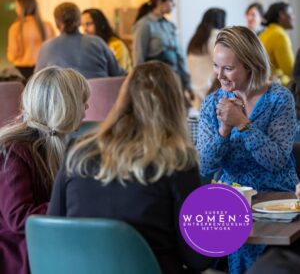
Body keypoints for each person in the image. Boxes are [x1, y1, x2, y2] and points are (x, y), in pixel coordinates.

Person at [48, 61, 212, 274]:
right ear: (175, 105)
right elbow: (197, 259)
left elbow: (53, 228)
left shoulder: (78, 150)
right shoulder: (176, 160)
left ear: (123, 98)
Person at [197, 26, 299, 274]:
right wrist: (223, 129)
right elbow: (204, 165)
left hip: (278, 200)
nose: (219, 75)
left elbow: (276, 161)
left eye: (228, 68)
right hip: (232, 201)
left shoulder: (280, 99)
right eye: (216, 66)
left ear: (251, 65)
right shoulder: (212, 103)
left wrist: (243, 124)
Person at [0, 67, 90, 274]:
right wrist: (75, 201)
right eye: (81, 100)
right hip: (19, 251)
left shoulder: (62, 143)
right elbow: (20, 219)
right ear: (64, 106)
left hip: (46, 239)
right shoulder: (12, 151)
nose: (87, 106)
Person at [133, 0, 194, 102]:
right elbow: (138, 58)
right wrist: (140, 87)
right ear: (160, 2)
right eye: (171, 0)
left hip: (174, 81)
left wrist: (188, 84)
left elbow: (180, 57)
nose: (174, 4)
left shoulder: (169, 26)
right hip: (155, 84)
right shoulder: (145, 25)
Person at [35, 2, 125, 79]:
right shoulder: (97, 42)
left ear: (57, 23)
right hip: (98, 97)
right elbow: (118, 74)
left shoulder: (46, 47)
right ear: (79, 21)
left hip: (62, 98)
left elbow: (37, 81)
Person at [7, 0, 55, 81]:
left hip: (22, 71)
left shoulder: (15, 28)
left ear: (22, 7)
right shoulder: (47, 26)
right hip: (44, 69)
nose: (16, 10)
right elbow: (53, 50)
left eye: (17, 6)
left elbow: (13, 54)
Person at [187, 8, 226, 109]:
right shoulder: (214, 37)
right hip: (208, 91)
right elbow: (224, 64)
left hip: (193, 93)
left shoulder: (196, 38)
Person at [81, 8, 132, 73]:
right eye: (82, 25)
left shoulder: (116, 45)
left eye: (89, 24)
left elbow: (117, 73)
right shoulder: (90, 46)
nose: (84, 29)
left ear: (100, 24)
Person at [259, 2, 295, 85]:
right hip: (275, 88)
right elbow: (292, 72)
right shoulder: (279, 35)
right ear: (282, 14)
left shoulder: (265, 33)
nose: (293, 17)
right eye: (291, 13)